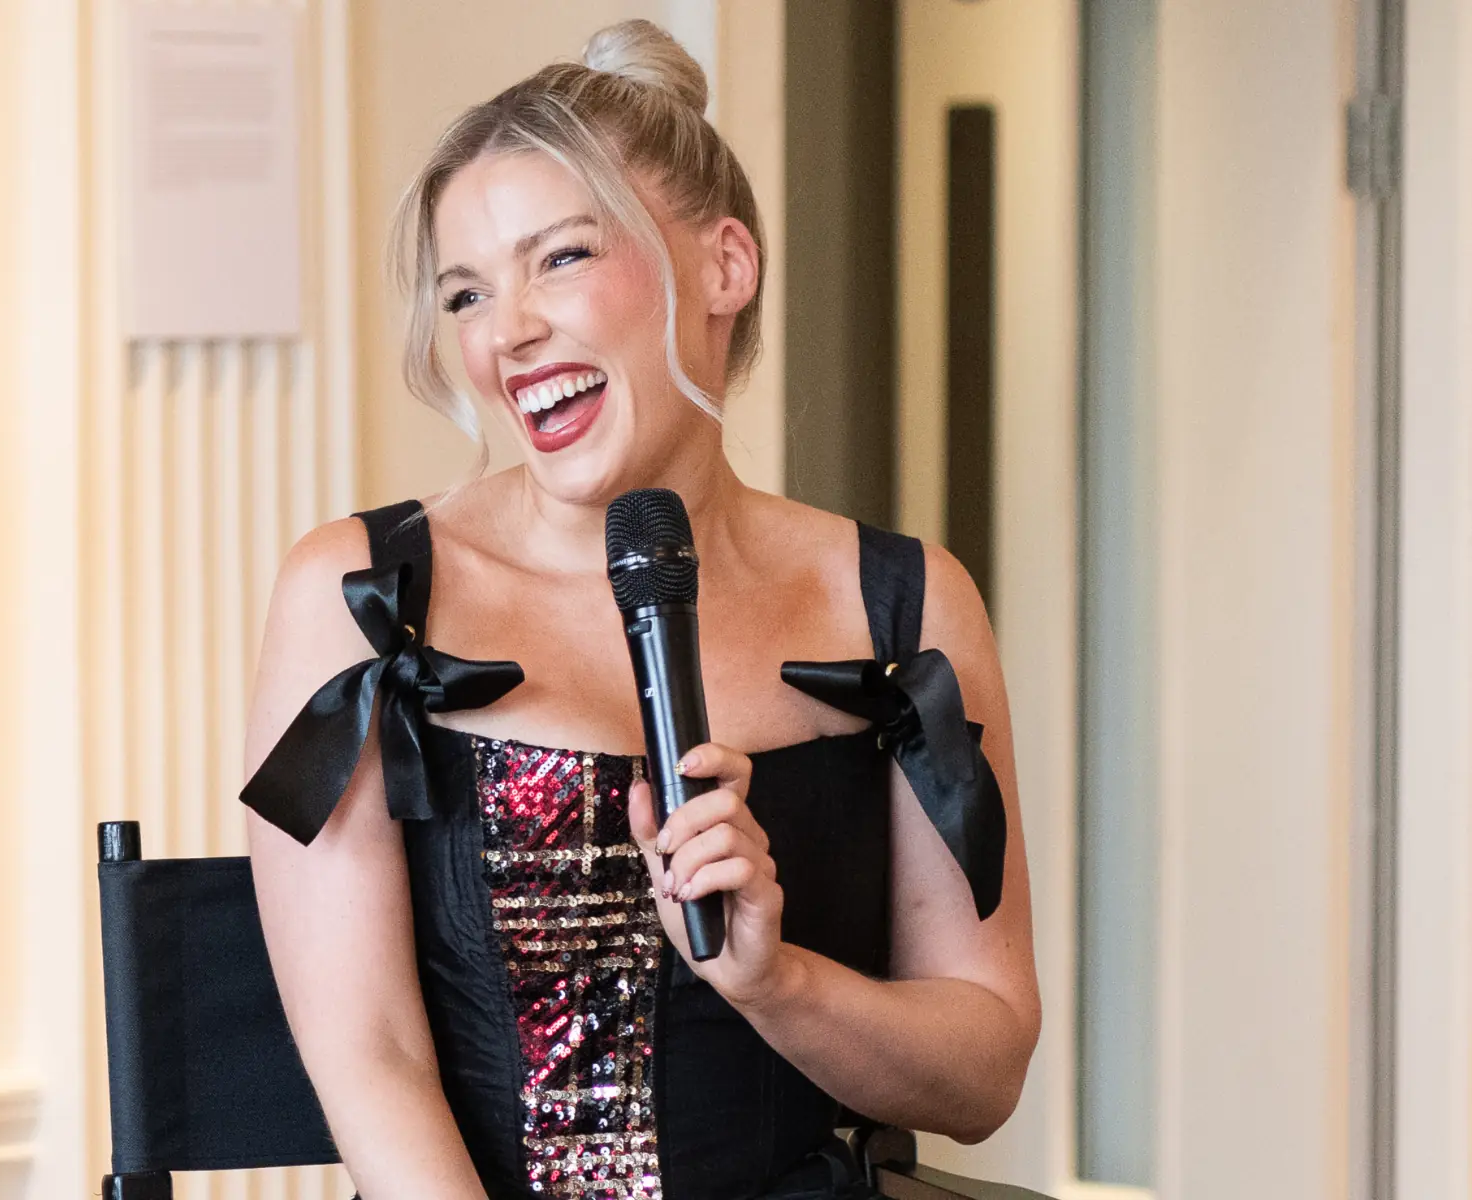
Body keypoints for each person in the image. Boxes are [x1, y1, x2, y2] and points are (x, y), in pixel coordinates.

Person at [242, 20, 1039, 1200]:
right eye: (467, 293)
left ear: (725, 266)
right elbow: (373, 1059)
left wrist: (776, 981)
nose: (506, 332)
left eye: (560, 257)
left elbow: (983, 1074)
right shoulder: (364, 598)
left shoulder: (904, 603)